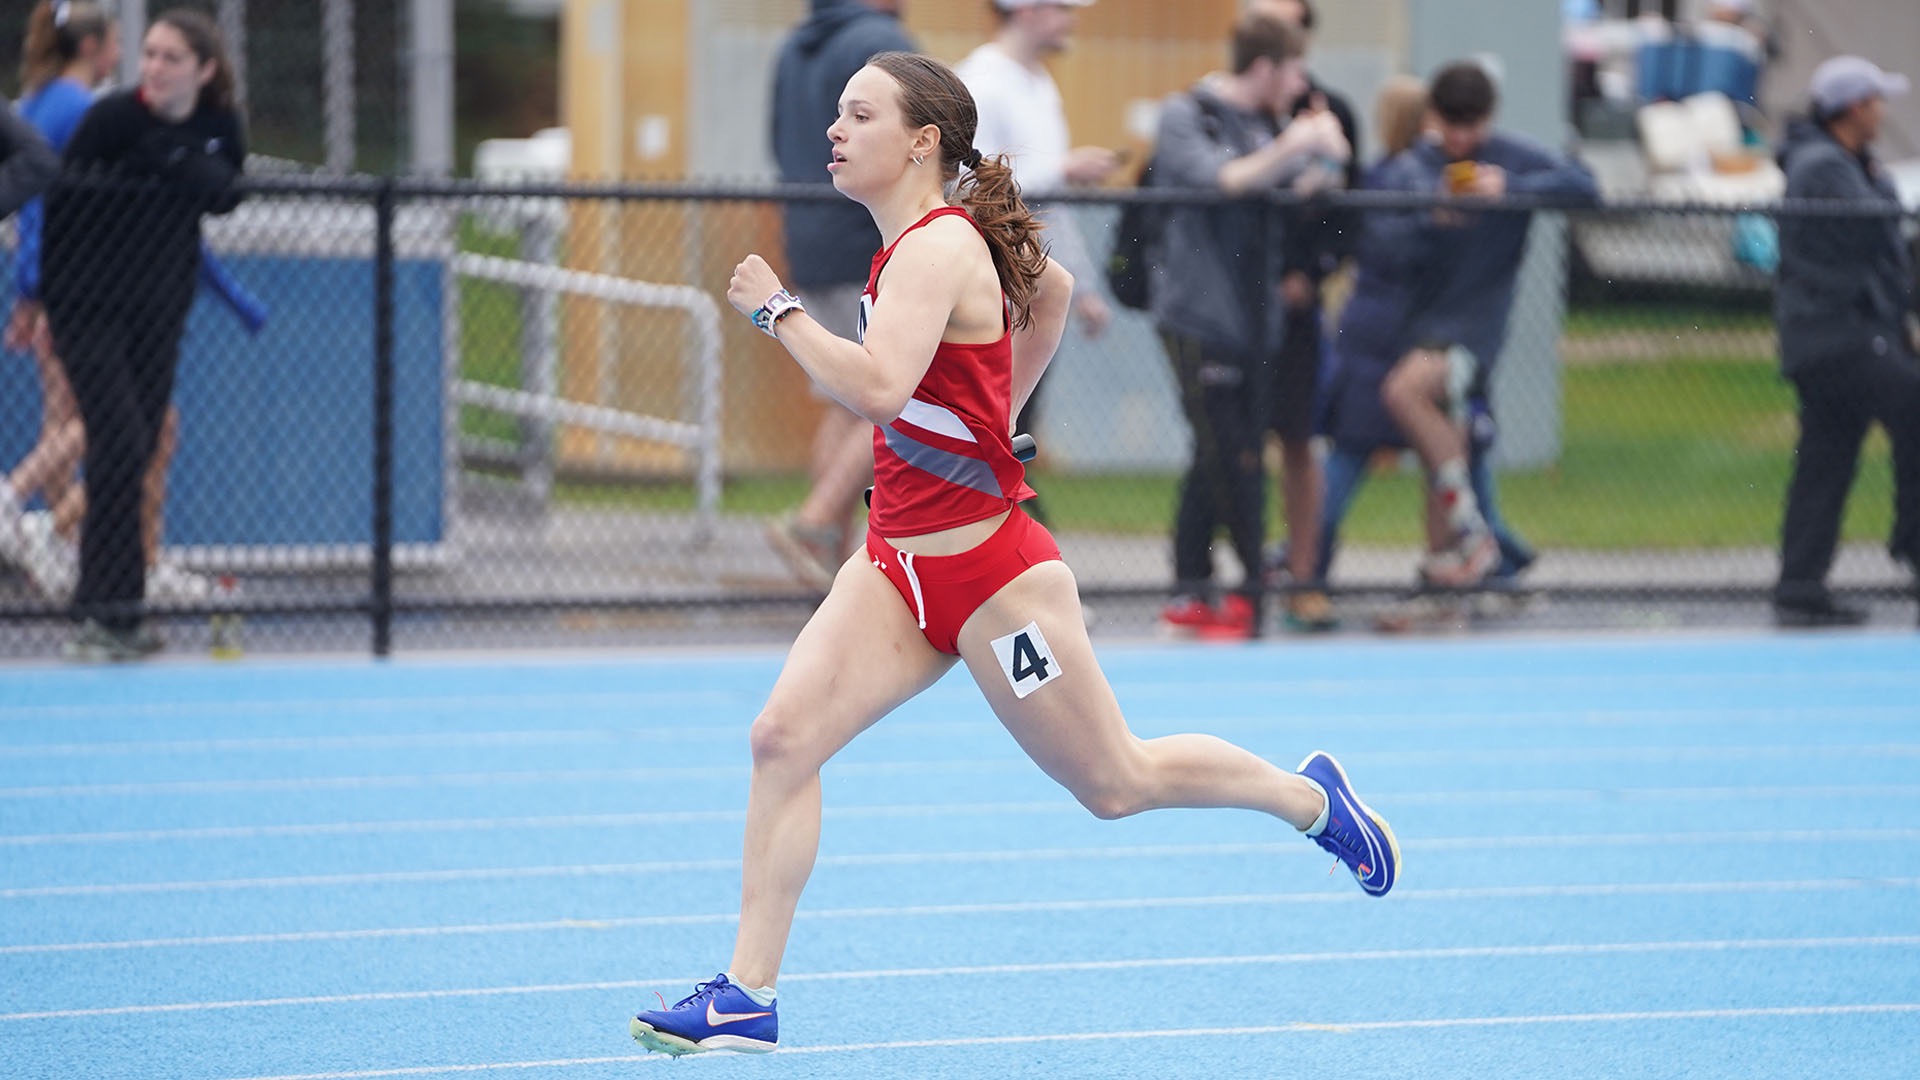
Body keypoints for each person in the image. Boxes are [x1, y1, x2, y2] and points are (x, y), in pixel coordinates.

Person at [628, 50, 1397, 1058]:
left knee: (1115, 784)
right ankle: (747, 994)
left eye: (859, 115)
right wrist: (996, 409)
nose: (835, 130)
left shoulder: (938, 249)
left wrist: (778, 311)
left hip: (995, 583)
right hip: (896, 566)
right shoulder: (917, 243)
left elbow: (876, 388)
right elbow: (1054, 290)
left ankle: (1308, 798)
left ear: (920, 142)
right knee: (782, 739)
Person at [41, 8, 246, 661]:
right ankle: (102, 610)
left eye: (171, 59)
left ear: (204, 70)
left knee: (140, 449)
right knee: (120, 442)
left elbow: (224, 193)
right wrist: (39, 300)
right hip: (86, 307)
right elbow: (59, 204)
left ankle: (121, 612)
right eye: (149, 55)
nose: (154, 69)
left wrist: (171, 155)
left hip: (158, 311)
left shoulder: (219, 126)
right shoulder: (111, 120)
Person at [1148, 14, 1349, 640]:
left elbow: (1302, 185)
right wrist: (1293, 144)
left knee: (1217, 449)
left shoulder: (1265, 125)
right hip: (1193, 315)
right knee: (1230, 450)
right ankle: (1250, 585)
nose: (1299, 85)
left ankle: (1193, 587)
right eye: (1292, 71)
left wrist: (1331, 154)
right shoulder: (1187, 116)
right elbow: (1222, 179)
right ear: (1264, 68)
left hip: (1253, 321)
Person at [1374, 61, 1594, 588]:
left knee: (1403, 393)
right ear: (1433, 117)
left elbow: (1587, 188)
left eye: (1471, 126)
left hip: (1475, 327)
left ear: (1489, 118)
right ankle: (1444, 570)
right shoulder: (1418, 165)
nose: (1460, 138)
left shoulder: (1512, 158)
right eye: (1450, 125)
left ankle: (1475, 535)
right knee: (1442, 444)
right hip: (1422, 321)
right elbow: (1381, 233)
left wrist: (1511, 189)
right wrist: (1434, 212)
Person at [1313, 75, 1537, 592]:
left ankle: (1472, 558)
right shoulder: (1407, 177)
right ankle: (1482, 552)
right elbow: (1391, 243)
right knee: (1416, 445)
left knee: (1449, 448)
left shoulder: (1441, 175)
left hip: (1417, 337)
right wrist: (1437, 219)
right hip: (1393, 338)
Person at [763, 0, 919, 591]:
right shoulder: (882, 40)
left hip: (809, 233)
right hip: (862, 234)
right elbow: (913, 134)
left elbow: (776, 141)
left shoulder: (795, 44)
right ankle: (817, 521)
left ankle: (835, 556)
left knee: (839, 400)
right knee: (884, 390)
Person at [1771, 56, 1918, 627]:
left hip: (1841, 336)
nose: (1882, 111)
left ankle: (1801, 584)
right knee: (1913, 406)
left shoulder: (1844, 163)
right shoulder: (1824, 166)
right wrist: (1883, 184)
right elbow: (1875, 230)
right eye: (1877, 100)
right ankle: (1912, 544)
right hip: (1839, 336)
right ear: (1855, 107)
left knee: (1827, 457)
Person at [956, 0, 1123, 494]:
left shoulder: (1040, 84)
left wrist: (1082, 286)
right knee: (982, 426)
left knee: (1012, 426)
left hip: (1031, 286)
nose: (1070, 19)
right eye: (1061, 8)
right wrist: (1061, 172)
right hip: (989, 283)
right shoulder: (982, 81)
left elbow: (1051, 209)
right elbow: (969, 183)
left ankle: (998, 546)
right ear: (1025, 11)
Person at [1248, 0, 1358, 632]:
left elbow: (1350, 213)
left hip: (1294, 313)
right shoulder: (1226, 108)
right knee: (1229, 447)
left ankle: (1305, 579)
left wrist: (1308, 272)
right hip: (1234, 310)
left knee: (1298, 439)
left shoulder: (1329, 112)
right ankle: (1219, 582)